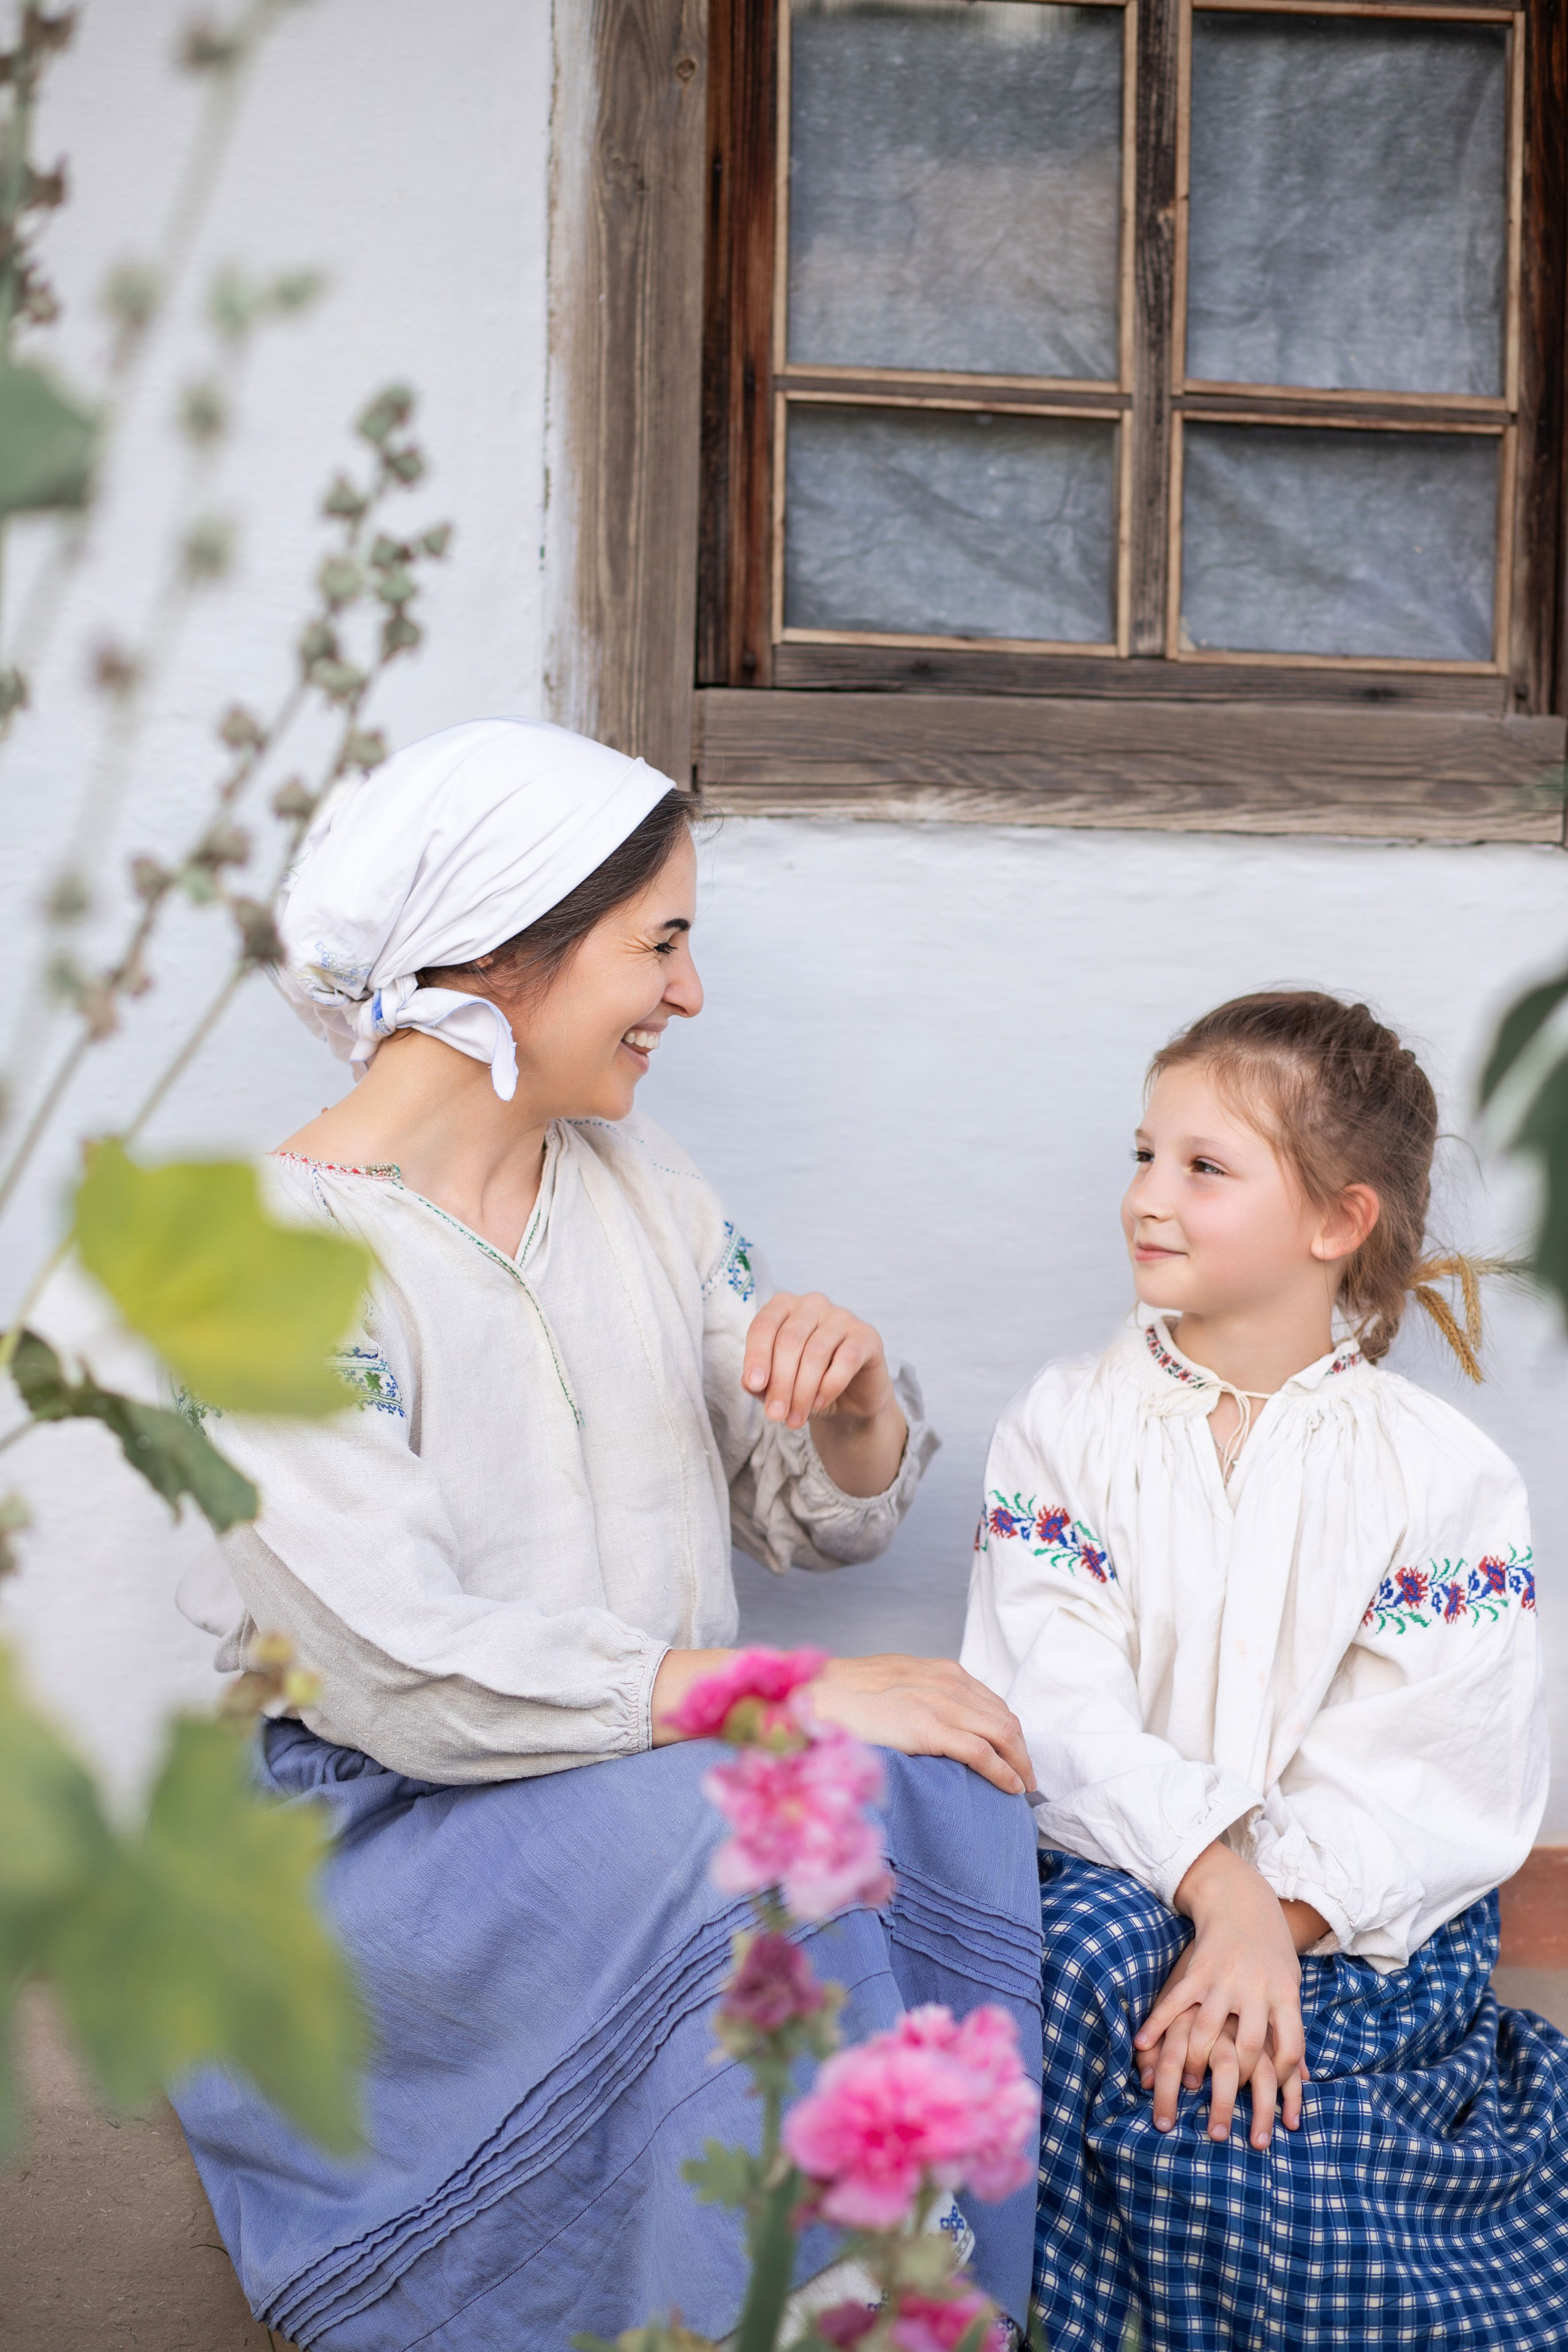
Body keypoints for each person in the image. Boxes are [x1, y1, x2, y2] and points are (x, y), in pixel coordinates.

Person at [169, 717, 1041, 2352]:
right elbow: (388, 1668)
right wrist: (777, 1690)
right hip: (382, 1836)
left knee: (937, 1777)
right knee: (748, 1849)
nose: (689, 995)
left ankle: (899, 2293)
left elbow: (808, 1517)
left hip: (636, 1775)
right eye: (663, 945)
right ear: (505, 955)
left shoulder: (643, 1185)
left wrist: (846, 1404)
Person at [962, 990, 1568, 2351]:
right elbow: (1050, 1704)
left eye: (1201, 1167)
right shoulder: (1064, 1428)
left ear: (1335, 1221)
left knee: (1264, 2140)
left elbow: (1426, 1771)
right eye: (1140, 1154)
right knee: (1073, 1983)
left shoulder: (1437, 1474)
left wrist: (1268, 1918)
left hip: (1350, 1923)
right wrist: (1207, 1883)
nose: (1145, 1197)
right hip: (1118, 1876)